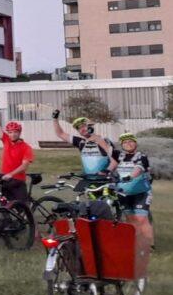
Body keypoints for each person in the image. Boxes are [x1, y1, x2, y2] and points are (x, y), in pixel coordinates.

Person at [109, 133, 153, 279]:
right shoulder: (119, 156)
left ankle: (148, 246)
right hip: (124, 193)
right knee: (130, 219)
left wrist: (129, 177)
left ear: (135, 143)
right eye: (125, 142)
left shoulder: (142, 156)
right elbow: (109, 161)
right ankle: (135, 244)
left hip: (141, 192)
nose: (128, 144)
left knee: (141, 219)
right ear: (121, 145)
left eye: (130, 141)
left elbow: (139, 169)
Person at [51, 110, 114, 184]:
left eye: (84, 126)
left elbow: (114, 160)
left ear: (90, 126)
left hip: (105, 181)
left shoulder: (104, 140)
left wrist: (107, 171)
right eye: (79, 128)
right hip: (88, 180)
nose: (82, 129)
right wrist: (55, 120)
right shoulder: (81, 142)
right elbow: (60, 134)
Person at [0, 101, 34, 203]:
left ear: (19, 133)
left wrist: (11, 174)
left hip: (18, 180)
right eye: (10, 132)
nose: (13, 134)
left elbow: (24, 166)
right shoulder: (6, 140)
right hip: (6, 178)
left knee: (22, 208)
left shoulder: (26, 147)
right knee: (4, 203)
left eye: (15, 132)